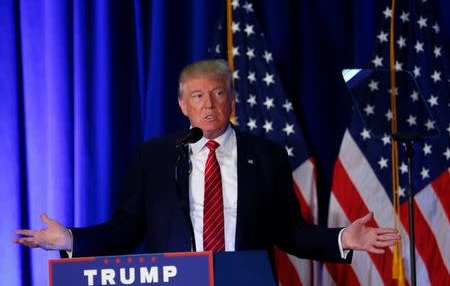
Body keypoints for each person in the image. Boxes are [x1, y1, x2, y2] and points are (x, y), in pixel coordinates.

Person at [14, 59, 399, 263]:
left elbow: (289, 231)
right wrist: (71, 239)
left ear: (232, 101)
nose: (209, 104)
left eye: (217, 94)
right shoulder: (156, 156)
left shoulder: (266, 156)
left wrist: (341, 239)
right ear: (183, 105)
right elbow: (128, 228)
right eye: (197, 96)